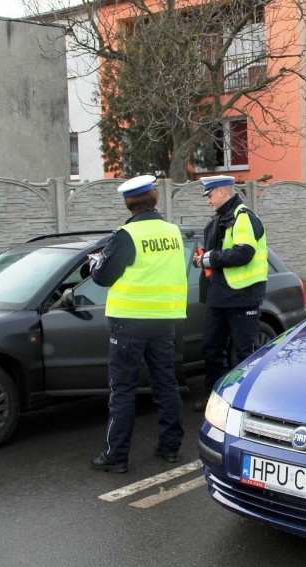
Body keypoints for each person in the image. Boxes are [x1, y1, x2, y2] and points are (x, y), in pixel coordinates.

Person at [89, 174, 187, 473]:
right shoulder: (173, 232)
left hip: (130, 324)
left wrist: (95, 262)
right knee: (167, 386)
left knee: (123, 391)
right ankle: (170, 448)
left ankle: (116, 457)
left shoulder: (125, 235)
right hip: (164, 321)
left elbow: (104, 277)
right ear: (154, 198)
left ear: (128, 203)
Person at [191, 175, 268, 412]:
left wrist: (209, 258)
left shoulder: (242, 216)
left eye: (210, 195)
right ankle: (214, 399)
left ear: (222, 193)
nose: (208, 201)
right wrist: (202, 259)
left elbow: (244, 252)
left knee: (246, 353)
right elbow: (217, 252)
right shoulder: (217, 220)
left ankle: (250, 404)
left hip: (243, 297)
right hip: (220, 296)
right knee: (212, 348)